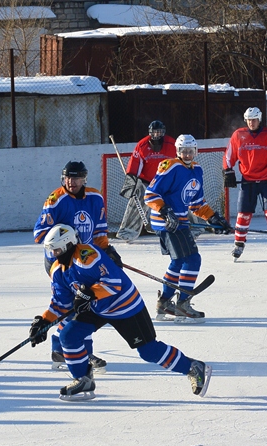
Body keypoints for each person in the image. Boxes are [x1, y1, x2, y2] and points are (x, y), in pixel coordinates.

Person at [29, 224, 212, 400]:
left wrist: (89, 293)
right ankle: (83, 380)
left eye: (56, 250)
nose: (53, 255)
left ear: (68, 245)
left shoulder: (88, 256)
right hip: (97, 307)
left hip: (124, 305)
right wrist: (44, 322)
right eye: (50, 251)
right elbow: (60, 302)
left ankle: (192, 367)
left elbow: (114, 283)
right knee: (69, 335)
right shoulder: (58, 270)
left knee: (148, 351)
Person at [33, 161, 122, 373]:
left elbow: (99, 231)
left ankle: (60, 350)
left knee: (81, 304)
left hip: (84, 261)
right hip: (60, 260)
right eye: (68, 178)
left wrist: (106, 252)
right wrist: (65, 235)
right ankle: (81, 351)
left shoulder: (95, 197)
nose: (71, 182)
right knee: (76, 305)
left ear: (84, 179)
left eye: (76, 178)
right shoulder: (55, 200)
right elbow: (39, 234)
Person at [145, 134, 233, 322]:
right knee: (192, 259)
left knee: (178, 262)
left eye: (190, 151)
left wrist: (214, 218)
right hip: (167, 223)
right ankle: (183, 303)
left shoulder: (197, 170)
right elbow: (150, 194)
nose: (187, 154)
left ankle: (164, 302)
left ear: (196, 151)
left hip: (180, 221)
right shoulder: (170, 167)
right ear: (177, 151)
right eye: (183, 151)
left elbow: (196, 204)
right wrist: (166, 211)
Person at [223, 107, 267, 261]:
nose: (252, 123)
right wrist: (228, 171)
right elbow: (229, 156)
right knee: (243, 214)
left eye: (254, 120)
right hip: (248, 180)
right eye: (249, 120)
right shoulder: (238, 135)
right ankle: (239, 244)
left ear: (259, 119)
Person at [116, 120, 177, 242]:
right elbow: (135, 164)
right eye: (154, 132)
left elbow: (179, 162)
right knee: (137, 199)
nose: (157, 135)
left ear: (164, 132)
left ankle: (190, 229)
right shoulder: (142, 146)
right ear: (150, 133)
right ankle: (128, 232)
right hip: (147, 181)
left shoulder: (172, 144)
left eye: (159, 132)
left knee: (180, 199)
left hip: (166, 181)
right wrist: (131, 182)